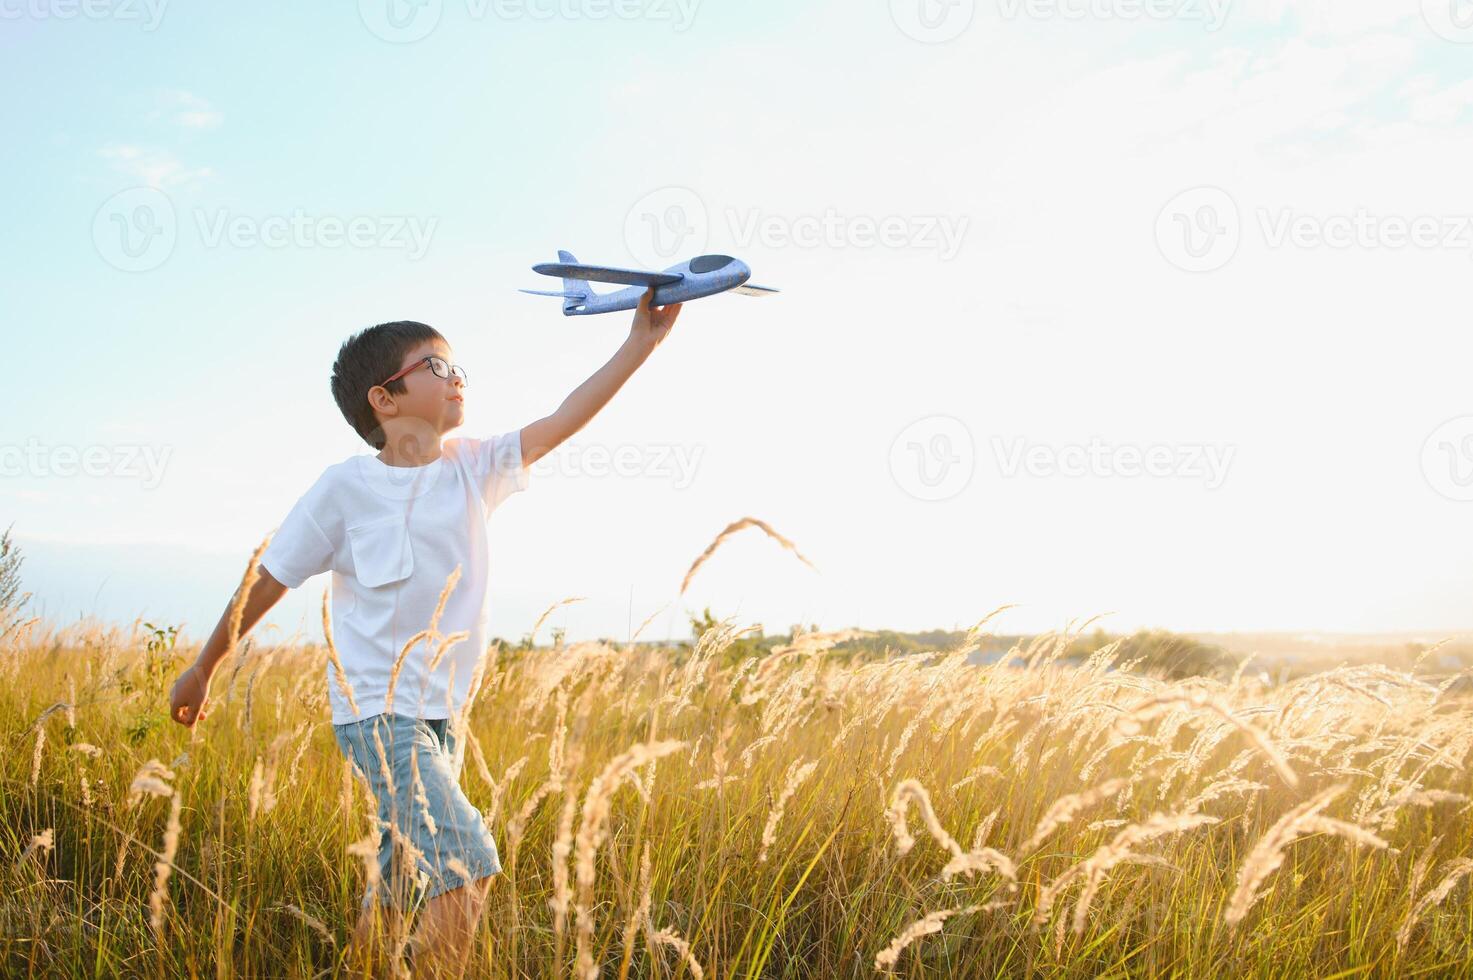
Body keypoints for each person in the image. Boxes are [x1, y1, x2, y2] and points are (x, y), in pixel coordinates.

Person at [169, 288, 682, 978]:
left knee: (403, 872)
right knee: (464, 860)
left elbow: (563, 419)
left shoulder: (473, 468)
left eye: (456, 366)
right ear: (384, 399)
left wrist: (639, 345)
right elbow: (270, 577)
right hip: (378, 711)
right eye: (434, 367)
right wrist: (203, 669)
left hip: (442, 714)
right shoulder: (343, 489)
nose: (456, 377)